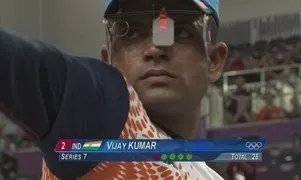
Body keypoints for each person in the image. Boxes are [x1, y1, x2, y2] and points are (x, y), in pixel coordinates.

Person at [0, 0, 228, 179]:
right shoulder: (103, 116)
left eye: (181, 32)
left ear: (214, 60)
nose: (155, 48)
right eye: (132, 33)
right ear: (107, 62)